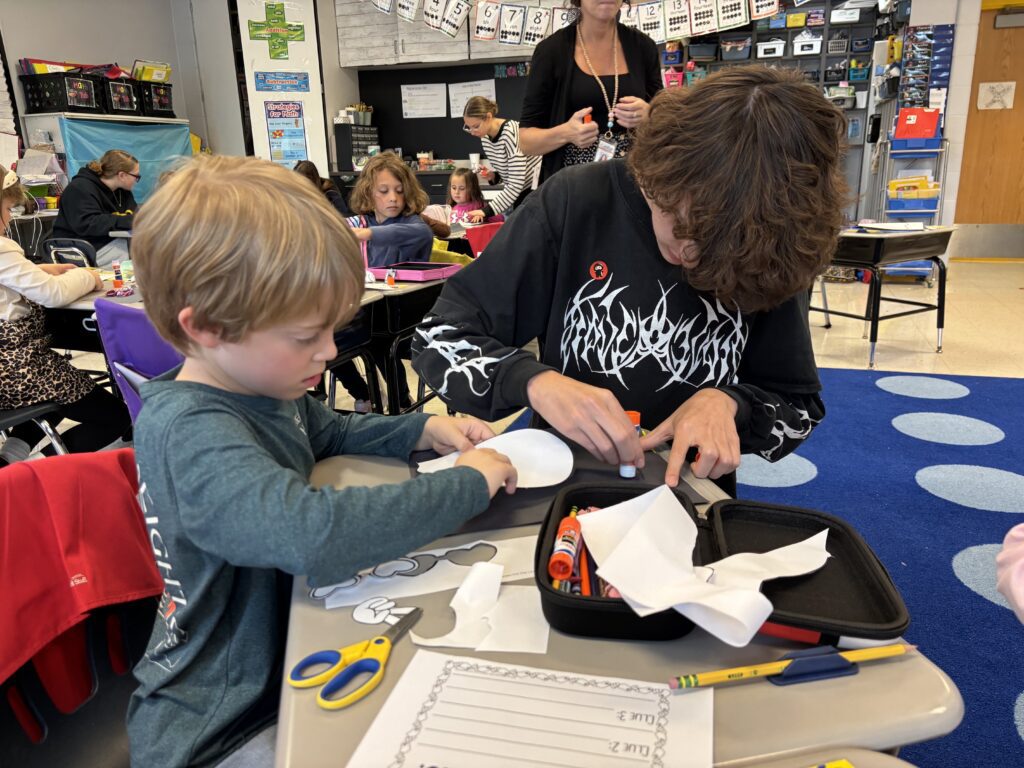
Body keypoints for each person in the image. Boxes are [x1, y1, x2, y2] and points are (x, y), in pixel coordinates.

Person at [125, 155, 517, 768]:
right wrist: (465, 485)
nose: (331, 352)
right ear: (205, 328)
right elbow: (306, 532)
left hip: (283, 673)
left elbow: (328, 431)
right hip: (217, 728)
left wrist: (424, 427)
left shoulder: (261, 389)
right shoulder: (188, 430)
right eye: (306, 337)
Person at [412, 67, 848, 492]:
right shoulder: (575, 201)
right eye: (678, 223)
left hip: (689, 499)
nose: (688, 255)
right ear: (657, 173)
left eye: (715, 250)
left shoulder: (775, 237)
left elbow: (798, 408)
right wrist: (534, 381)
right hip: (561, 487)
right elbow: (437, 338)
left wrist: (732, 404)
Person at [0, 169, 130, 466]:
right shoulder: (1, 247)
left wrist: (39, 271)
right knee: (114, 417)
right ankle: (32, 473)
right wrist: (87, 276)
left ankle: (9, 458)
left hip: (11, 374)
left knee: (61, 393)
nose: (9, 219)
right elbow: (52, 295)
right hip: (17, 370)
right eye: (7, 209)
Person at [518, 0, 662, 184]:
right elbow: (526, 142)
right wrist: (566, 133)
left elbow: (665, 121)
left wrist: (650, 115)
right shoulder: (551, 52)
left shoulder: (643, 46)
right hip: (575, 187)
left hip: (637, 182)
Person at [294, 159, 369, 411]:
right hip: (317, 312)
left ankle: (365, 395)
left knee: (327, 345)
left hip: (343, 308)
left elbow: (346, 221)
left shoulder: (330, 197)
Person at [52, 149, 139, 266]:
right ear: (122, 175)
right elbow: (88, 224)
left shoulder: (122, 191)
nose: (136, 180)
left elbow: (132, 215)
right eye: (136, 176)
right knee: (136, 260)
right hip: (81, 246)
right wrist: (133, 221)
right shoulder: (79, 188)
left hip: (108, 242)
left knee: (147, 249)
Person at [346, 152, 433, 267]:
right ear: (367, 193)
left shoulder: (412, 223)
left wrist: (369, 233)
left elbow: (424, 233)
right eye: (383, 191)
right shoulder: (359, 223)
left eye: (400, 191)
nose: (393, 198)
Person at [461, 96, 541, 220]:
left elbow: (516, 183)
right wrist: (494, 176)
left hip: (536, 188)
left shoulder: (511, 133)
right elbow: (510, 173)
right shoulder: (485, 137)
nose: (472, 132)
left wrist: (486, 211)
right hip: (520, 190)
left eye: (475, 126)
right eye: (468, 127)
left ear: (488, 117)